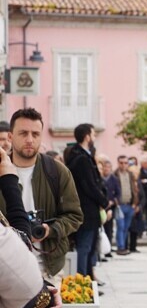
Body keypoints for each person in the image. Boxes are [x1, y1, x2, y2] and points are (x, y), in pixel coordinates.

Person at [0, 108, 83, 279]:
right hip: (5, 270)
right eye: (23, 133)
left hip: (47, 268)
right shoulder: (2, 169)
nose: (30, 139)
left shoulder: (57, 171)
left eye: (35, 134)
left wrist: (51, 229)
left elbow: (74, 216)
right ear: (10, 136)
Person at [66, 124, 111, 277]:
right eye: (93, 134)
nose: (94, 138)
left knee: (90, 248)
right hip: (85, 211)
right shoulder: (81, 159)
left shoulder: (83, 156)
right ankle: (82, 281)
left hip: (89, 210)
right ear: (87, 137)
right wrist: (104, 202)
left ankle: (89, 279)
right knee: (84, 248)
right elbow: (89, 186)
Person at [111, 156, 139, 255]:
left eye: (125, 163)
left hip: (129, 205)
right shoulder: (114, 175)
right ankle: (121, 247)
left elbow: (135, 189)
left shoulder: (131, 174)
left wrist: (135, 203)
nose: (123, 165)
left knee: (126, 227)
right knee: (121, 226)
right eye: (121, 163)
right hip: (120, 205)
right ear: (118, 163)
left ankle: (124, 246)